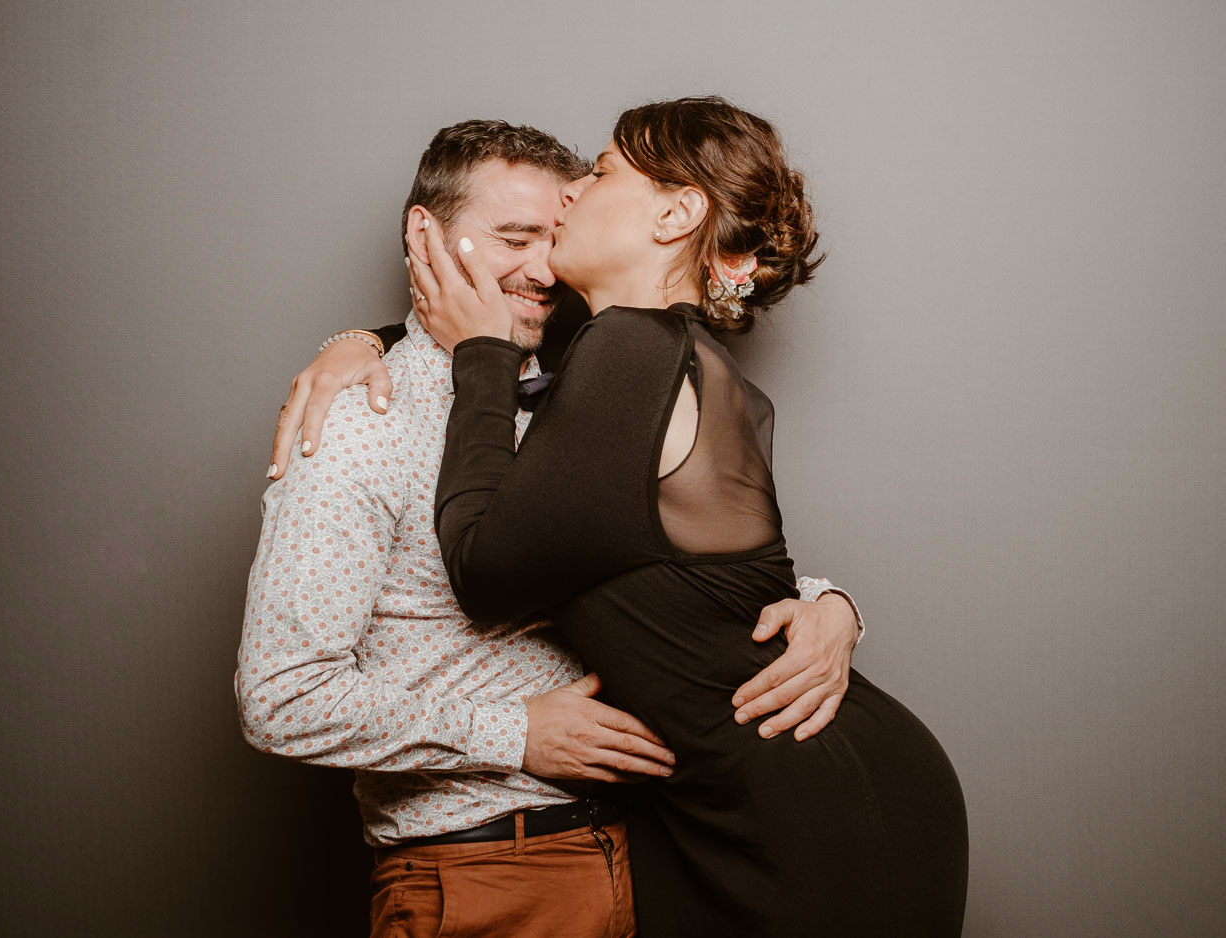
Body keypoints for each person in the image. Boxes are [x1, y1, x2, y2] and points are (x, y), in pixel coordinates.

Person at [237, 119, 867, 938]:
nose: (541, 270)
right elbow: (281, 696)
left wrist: (830, 607)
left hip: (656, 861)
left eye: (555, 237)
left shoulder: (588, 390)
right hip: (489, 874)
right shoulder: (362, 420)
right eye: (512, 238)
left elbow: (681, 573)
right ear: (423, 234)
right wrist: (515, 734)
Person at [409, 97, 970, 937]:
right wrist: (365, 340)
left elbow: (485, 572)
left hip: (793, 821)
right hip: (819, 794)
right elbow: (705, 593)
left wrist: (478, 356)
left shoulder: (629, 348)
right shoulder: (686, 366)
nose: (569, 194)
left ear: (676, 213)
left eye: (598, 173)